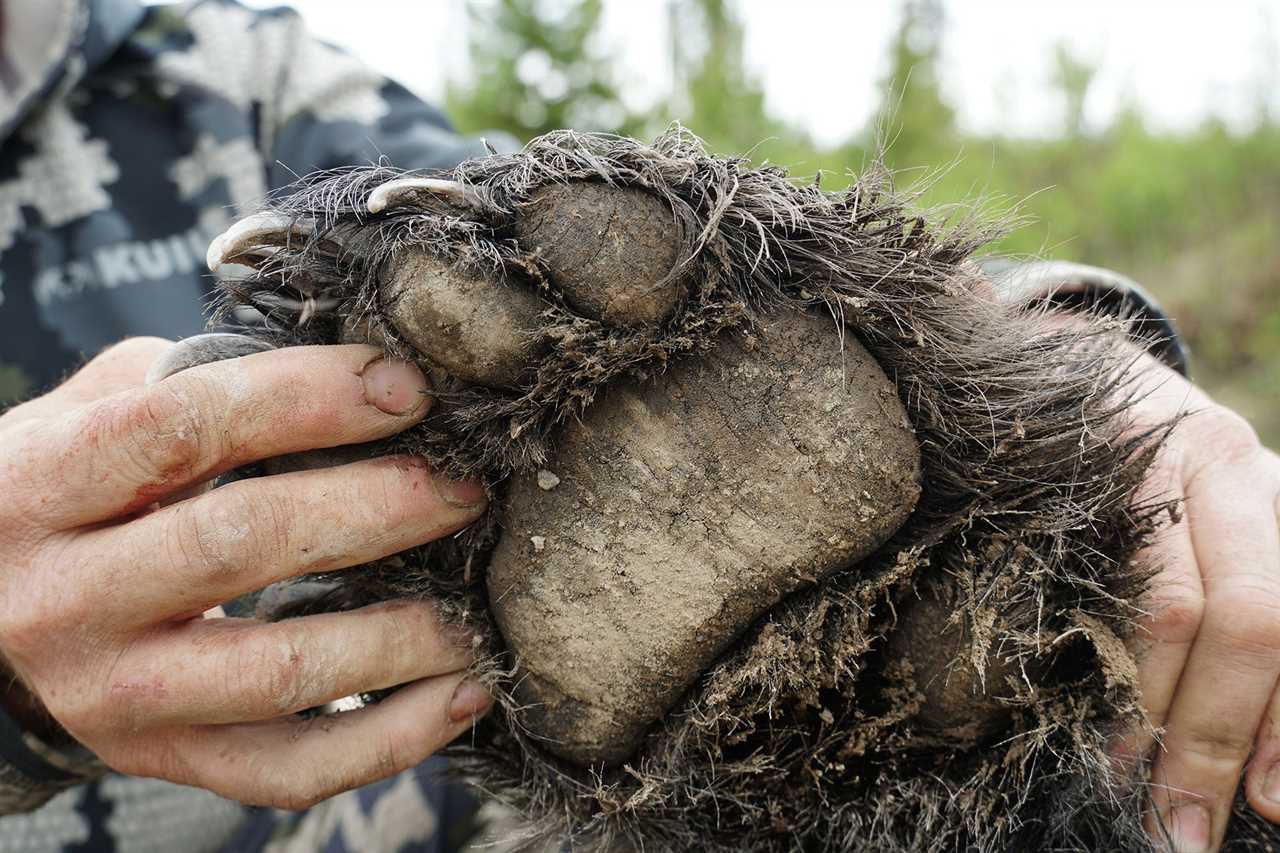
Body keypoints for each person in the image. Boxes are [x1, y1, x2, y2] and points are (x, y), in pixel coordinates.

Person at [0, 2, 1275, 853]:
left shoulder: (225, 77)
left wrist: (1060, 359)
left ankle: (968, 593)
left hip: (451, 799)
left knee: (1144, 669)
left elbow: (593, 292)